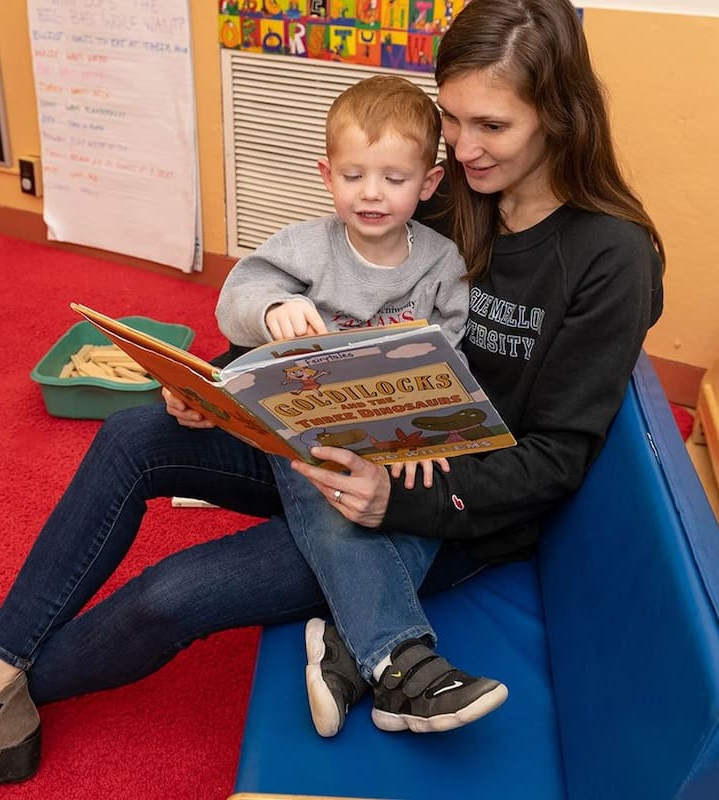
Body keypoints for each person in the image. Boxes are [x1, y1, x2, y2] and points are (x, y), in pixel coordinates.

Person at [0, 2, 664, 798]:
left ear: (557, 113)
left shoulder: (610, 257)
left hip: (442, 509)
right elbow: (329, 307)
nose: (465, 146)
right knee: (132, 437)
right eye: (452, 118)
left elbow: (559, 459)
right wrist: (223, 382)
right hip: (331, 446)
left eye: (492, 125)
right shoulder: (451, 191)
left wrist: (395, 496)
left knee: (173, 596)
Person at [214, 73, 506, 739]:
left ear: (428, 185)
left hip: (396, 431)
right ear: (326, 174)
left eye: (393, 179)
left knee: (424, 500)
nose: (371, 193)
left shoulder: (441, 264)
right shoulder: (304, 246)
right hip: (309, 424)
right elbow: (233, 301)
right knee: (329, 489)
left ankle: (344, 654)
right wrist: (275, 307)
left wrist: (431, 439)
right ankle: (402, 661)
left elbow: (450, 360)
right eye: (353, 175)